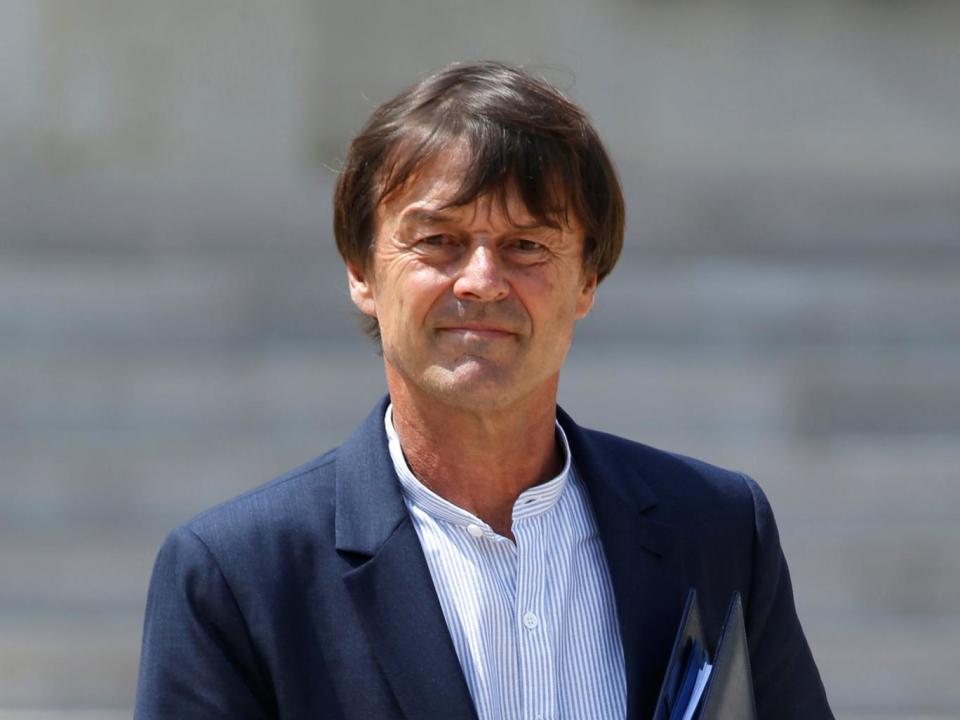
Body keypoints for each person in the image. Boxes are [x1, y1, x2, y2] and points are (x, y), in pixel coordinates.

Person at [134, 61, 834, 719]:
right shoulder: (235, 577)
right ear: (361, 272)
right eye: (437, 240)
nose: (481, 281)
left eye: (527, 246)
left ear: (587, 279)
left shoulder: (717, 528)